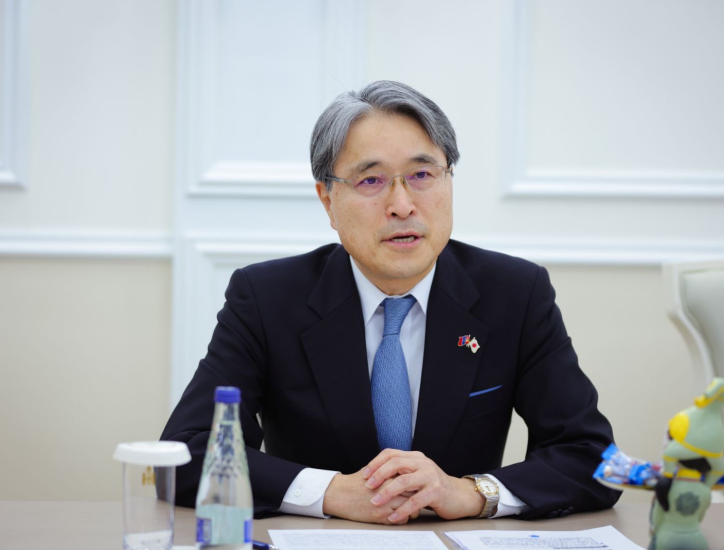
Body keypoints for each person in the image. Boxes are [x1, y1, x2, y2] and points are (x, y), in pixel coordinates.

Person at [161, 80, 620, 524]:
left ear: (449, 180)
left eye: (422, 175)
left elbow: (594, 458)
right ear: (328, 200)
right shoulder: (267, 298)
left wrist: (471, 492)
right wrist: (331, 492)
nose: (402, 205)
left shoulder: (515, 293)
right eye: (371, 180)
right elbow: (186, 453)